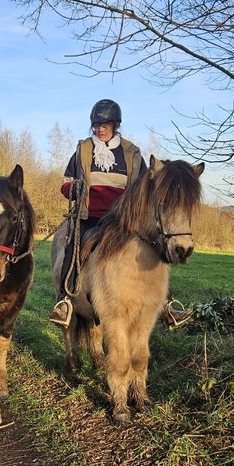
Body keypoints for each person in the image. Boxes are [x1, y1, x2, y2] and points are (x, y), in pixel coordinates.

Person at [50, 98, 192, 329]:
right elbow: (66, 183)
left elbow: (147, 184)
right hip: (90, 214)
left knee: (154, 246)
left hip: (123, 219)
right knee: (74, 247)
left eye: (105, 125)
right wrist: (72, 189)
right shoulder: (83, 150)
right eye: (96, 125)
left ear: (116, 125)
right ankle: (65, 301)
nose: (100, 129)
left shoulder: (132, 153)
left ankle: (167, 304)